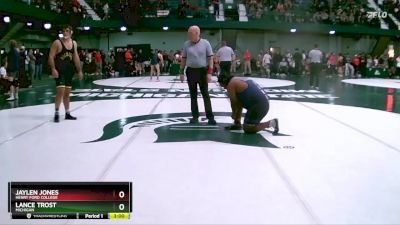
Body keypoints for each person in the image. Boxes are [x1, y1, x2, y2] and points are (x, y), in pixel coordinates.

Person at [180, 25, 216, 125]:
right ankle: (195, 116)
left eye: (190, 33)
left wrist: (209, 72)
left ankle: (210, 117)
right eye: (188, 33)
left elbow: (210, 58)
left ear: (197, 33)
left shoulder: (206, 43)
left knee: (205, 95)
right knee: (193, 96)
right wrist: (181, 72)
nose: (188, 35)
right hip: (190, 71)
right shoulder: (186, 44)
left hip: (202, 72)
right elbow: (183, 58)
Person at [48, 25, 83, 123]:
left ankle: (67, 113)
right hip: (60, 71)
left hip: (69, 71)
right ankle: (56, 112)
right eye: (63, 31)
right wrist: (53, 69)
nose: (65, 33)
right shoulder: (57, 42)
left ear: (71, 32)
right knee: (61, 91)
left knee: (67, 93)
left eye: (67, 31)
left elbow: (76, 57)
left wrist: (79, 70)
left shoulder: (74, 43)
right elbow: (51, 56)